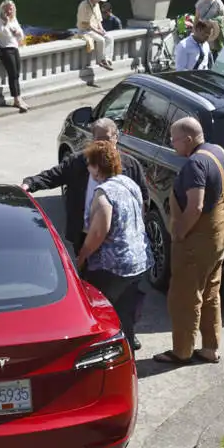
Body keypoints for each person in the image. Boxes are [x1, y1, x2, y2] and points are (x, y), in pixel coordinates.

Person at [156, 116, 224, 366]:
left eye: (174, 139)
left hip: (196, 243)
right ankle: (210, 348)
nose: (172, 144)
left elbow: (196, 206)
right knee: (210, 292)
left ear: (188, 139)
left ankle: (182, 351)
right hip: (219, 238)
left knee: (184, 298)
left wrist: (179, 232)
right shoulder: (218, 151)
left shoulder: (195, 165)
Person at [23, 116, 147, 253]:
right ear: (93, 139)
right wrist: (30, 183)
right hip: (84, 236)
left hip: (117, 238)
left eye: (106, 138)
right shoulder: (78, 161)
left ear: (116, 137)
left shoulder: (131, 166)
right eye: (98, 139)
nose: (102, 143)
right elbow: (54, 175)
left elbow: (142, 198)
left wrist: (137, 228)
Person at [74, 141, 151, 351]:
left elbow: (100, 231)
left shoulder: (103, 193)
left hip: (113, 266)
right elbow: (140, 214)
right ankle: (129, 343)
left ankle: (110, 353)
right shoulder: (128, 183)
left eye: (89, 164)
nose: (88, 168)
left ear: (97, 167)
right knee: (126, 308)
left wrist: (82, 256)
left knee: (104, 311)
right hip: (138, 260)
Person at [0, 0, 27, 110]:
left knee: (16, 73)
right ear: (2, 9)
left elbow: (20, 34)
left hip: (14, 47)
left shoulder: (14, 19)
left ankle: (18, 98)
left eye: (11, 9)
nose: (9, 11)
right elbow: (4, 33)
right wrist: (6, 23)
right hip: (5, 49)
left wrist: (17, 33)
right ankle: (17, 99)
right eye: (7, 9)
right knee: (12, 73)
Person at [76, 0, 115, 69]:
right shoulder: (84, 5)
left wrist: (101, 29)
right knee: (101, 40)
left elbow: (99, 20)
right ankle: (101, 60)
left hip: (95, 29)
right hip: (85, 30)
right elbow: (86, 23)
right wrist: (98, 31)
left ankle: (107, 58)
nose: (99, 0)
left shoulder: (96, 5)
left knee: (109, 38)